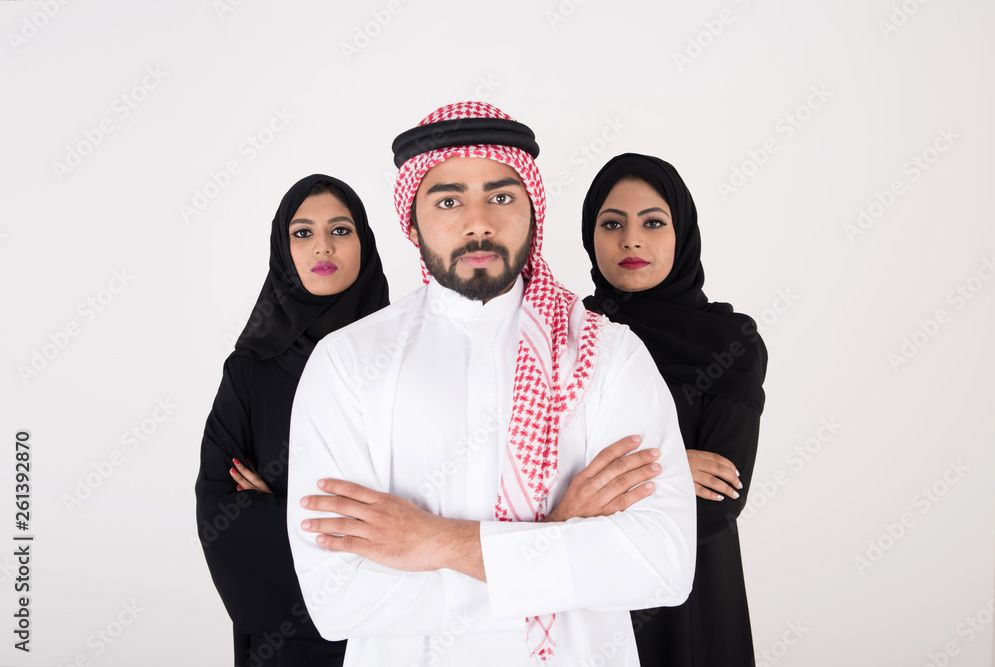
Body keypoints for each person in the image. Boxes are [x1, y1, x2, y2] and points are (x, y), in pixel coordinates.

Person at [286, 102, 697, 667]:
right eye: (449, 200)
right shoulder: (348, 364)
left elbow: (663, 565)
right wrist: (558, 539)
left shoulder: (609, 355)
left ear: (533, 211)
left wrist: (433, 543)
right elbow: (338, 603)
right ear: (411, 221)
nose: (478, 221)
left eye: (501, 197)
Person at [580, 153, 767, 667]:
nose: (631, 240)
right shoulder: (569, 335)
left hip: (692, 587)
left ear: (682, 233)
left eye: (653, 223)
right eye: (612, 223)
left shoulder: (731, 342)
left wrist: (594, 487)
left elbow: (719, 500)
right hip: (582, 590)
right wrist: (671, 465)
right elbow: (531, 476)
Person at [195, 174, 390, 667]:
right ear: (283, 249)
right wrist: (365, 535)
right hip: (284, 644)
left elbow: (437, 502)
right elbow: (222, 516)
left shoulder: (405, 355)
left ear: (364, 243)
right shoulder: (251, 369)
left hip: (397, 630)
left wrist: (283, 511)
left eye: (340, 230)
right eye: (302, 233)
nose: (322, 246)